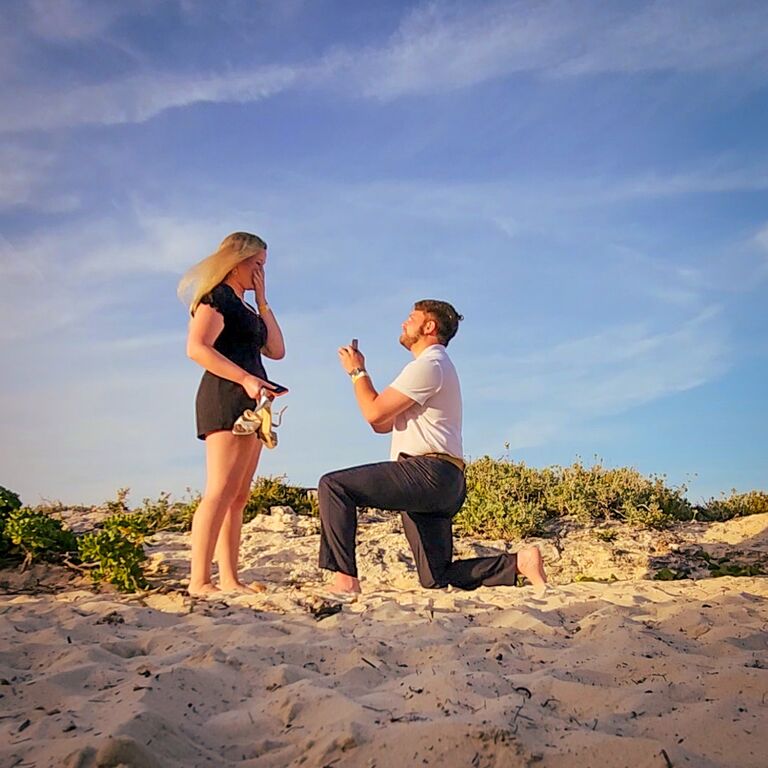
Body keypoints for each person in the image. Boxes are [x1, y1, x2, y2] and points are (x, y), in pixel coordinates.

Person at [318, 300, 547, 596]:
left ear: (429, 326)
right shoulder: (433, 367)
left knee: (334, 486)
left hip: (427, 473)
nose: (403, 323)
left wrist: (357, 372)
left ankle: (345, 579)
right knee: (436, 577)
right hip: (444, 481)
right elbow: (380, 423)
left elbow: (373, 413)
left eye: (411, 318)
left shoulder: (430, 365)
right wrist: (363, 381)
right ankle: (518, 563)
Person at [177, 232, 285, 597]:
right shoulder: (217, 296)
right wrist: (244, 378)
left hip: (253, 402)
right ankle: (199, 581)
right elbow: (197, 347)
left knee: (238, 496)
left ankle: (229, 578)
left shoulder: (246, 306)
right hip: (225, 396)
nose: (259, 273)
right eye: (256, 265)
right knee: (219, 490)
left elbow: (276, 350)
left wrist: (264, 301)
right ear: (236, 261)